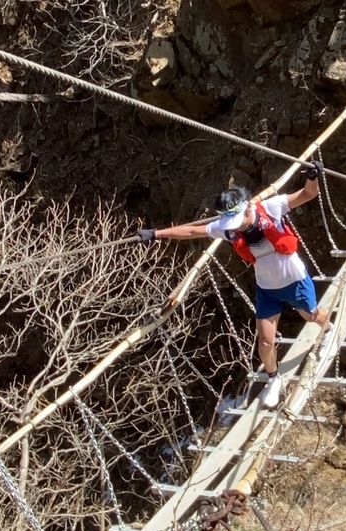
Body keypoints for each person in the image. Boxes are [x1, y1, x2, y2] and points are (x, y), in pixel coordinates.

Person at [139, 165, 328, 410]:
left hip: (294, 280)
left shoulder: (271, 207)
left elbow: (307, 194)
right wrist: (156, 234)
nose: (236, 227)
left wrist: (313, 177)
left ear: (249, 206)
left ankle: (329, 328)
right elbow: (191, 230)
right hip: (267, 288)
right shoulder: (227, 228)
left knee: (311, 315)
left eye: (239, 220)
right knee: (266, 341)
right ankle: (273, 378)